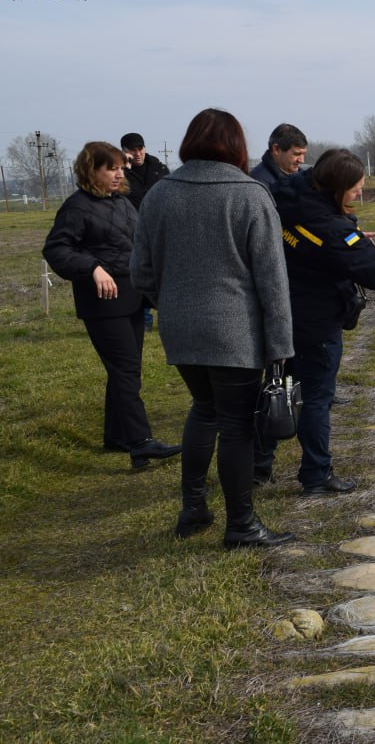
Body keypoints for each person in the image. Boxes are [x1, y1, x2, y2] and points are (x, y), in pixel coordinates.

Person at [131, 108, 296, 547]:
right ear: (238, 146)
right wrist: (281, 345)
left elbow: (140, 271)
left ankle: (194, 509)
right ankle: (241, 524)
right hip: (236, 333)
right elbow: (272, 281)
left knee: (205, 409)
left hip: (181, 329)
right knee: (237, 426)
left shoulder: (159, 195)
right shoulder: (250, 195)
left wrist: (172, 304)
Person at [269, 148, 375, 495]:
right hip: (317, 324)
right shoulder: (335, 232)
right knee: (316, 400)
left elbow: (320, 244)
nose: (360, 194)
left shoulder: (288, 203)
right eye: (356, 189)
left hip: (281, 315)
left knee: (278, 390)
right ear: (337, 188)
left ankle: (259, 466)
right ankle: (316, 475)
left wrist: (357, 235)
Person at [42, 142, 181, 470]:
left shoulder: (121, 202)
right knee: (126, 371)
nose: (119, 174)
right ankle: (140, 442)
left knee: (125, 369)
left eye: (121, 167)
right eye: (111, 168)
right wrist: (92, 267)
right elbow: (57, 249)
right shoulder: (77, 207)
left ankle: (117, 435)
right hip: (103, 303)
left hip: (132, 296)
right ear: (91, 171)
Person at [247, 122, 308, 483]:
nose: (300, 161)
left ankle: (261, 459)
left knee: (283, 376)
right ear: (275, 149)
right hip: (273, 289)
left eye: (303, 155)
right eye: (295, 155)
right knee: (275, 379)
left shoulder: (286, 180)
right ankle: (259, 463)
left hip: (288, 286)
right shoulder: (260, 185)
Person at [120, 132, 170, 330]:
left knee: (161, 273)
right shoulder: (119, 172)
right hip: (130, 229)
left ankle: (166, 315)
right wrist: (125, 167)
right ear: (124, 151)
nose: (138, 153)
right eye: (133, 150)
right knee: (138, 273)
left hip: (158, 228)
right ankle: (145, 319)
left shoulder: (159, 169)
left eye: (140, 148)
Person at [249, 123, 308, 189]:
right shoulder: (258, 182)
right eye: (297, 154)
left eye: (303, 154)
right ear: (276, 149)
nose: (302, 160)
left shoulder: (304, 179)